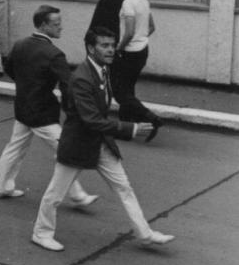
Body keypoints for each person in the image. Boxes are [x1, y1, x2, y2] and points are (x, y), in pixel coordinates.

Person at [31, 27, 175, 252]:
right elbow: (92, 119)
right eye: (104, 46)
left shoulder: (102, 70)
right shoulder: (81, 78)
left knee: (124, 187)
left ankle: (145, 234)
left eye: (112, 45)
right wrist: (132, 128)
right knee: (55, 194)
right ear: (91, 48)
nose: (110, 50)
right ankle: (41, 233)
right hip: (78, 144)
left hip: (100, 142)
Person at [0, 5, 99, 207]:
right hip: (42, 113)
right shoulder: (54, 54)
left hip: (23, 106)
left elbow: (9, 68)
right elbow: (69, 86)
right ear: (42, 25)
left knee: (15, 147)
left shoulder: (20, 44)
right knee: (67, 149)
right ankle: (77, 195)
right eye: (56, 24)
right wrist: (73, 111)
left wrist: (26, 86)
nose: (61, 27)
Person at [113, 0, 162, 140]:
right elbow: (152, 27)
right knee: (128, 88)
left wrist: (118, 49)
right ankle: (126, 124)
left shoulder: (128, 2)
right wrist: (141, 39)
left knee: (120, 92)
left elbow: (129, 31)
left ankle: (150, 118)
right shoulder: (143, 0)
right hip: (142, 50)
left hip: (129, 52)